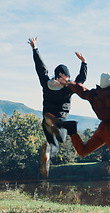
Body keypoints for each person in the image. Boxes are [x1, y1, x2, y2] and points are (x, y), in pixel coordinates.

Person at [54, 54, 110, 203]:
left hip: (102, 128)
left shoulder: (94, 94)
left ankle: (73, 130)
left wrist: (67, 82)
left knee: (82, 151)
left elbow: (80, 90)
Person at [28, 37, 87, 178]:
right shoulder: (68, 88)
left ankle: (48, 152)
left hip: (46, 117)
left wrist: (34, 49)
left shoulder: (46, 83)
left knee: (53, 144)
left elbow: (40, 68)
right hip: (59, 120)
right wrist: (84, 63)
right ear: (61, 75)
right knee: (61, 139)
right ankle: (50, 143)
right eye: (66, 76)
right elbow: (81, 79)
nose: (68, 78)